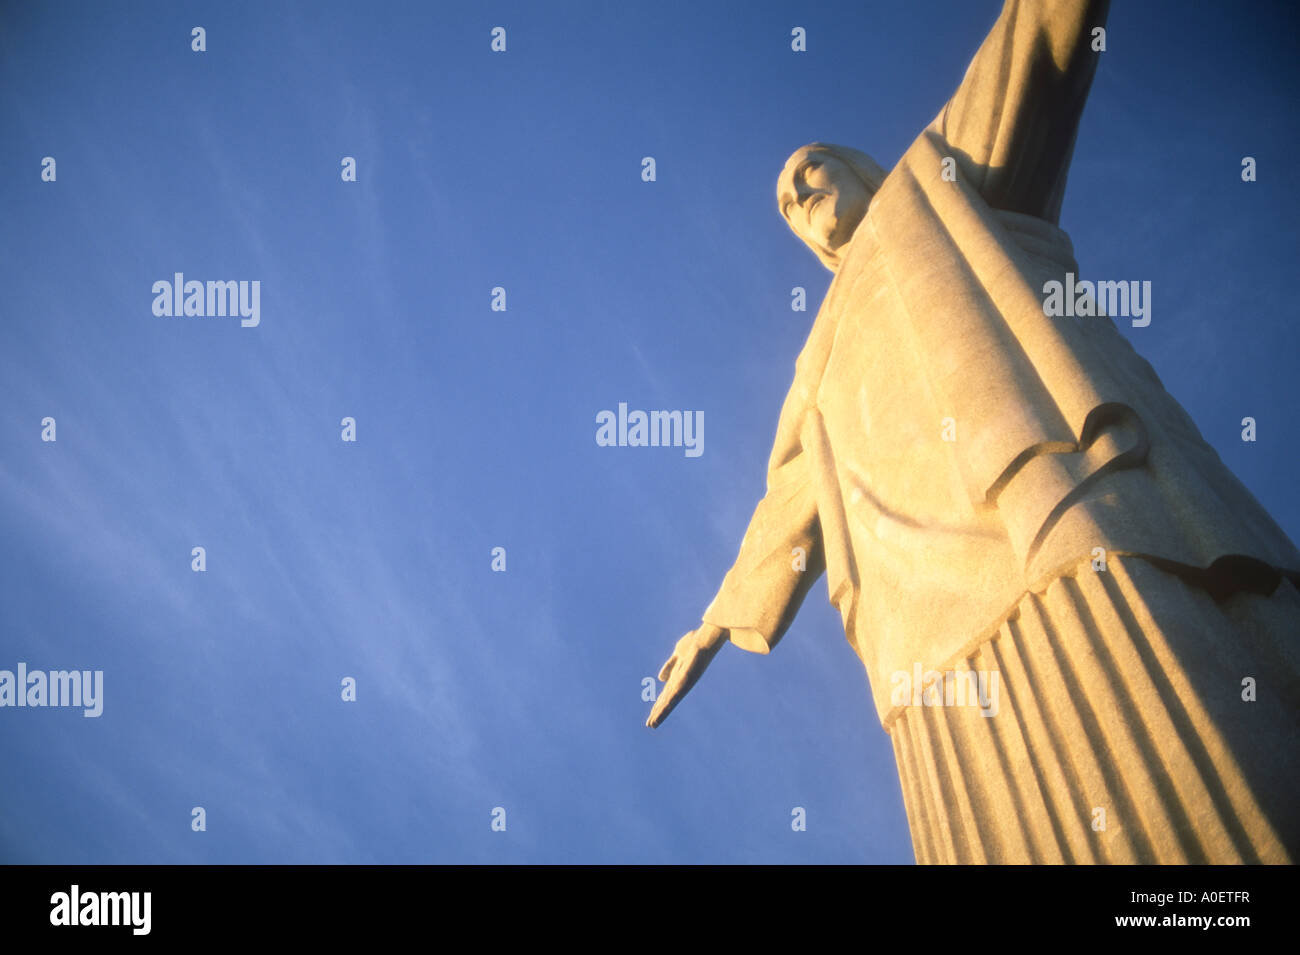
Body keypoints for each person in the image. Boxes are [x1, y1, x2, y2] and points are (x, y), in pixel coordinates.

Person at [646, 0, 1300, 863]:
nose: (801, 198)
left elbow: (1035, 47)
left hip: (1047, 511)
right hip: (921, 627)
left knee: (1182, 763)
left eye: (809, 172)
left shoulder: (936, 181)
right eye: (787, 204)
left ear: (855, 169)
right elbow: (787, 508)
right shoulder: (815, 368)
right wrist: (714, 623)